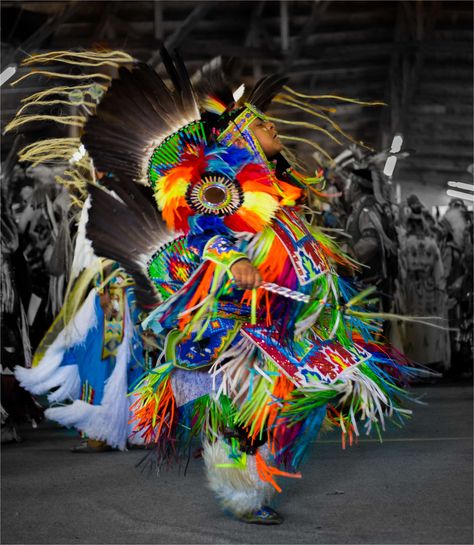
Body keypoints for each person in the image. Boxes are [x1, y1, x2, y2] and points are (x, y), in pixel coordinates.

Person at [74, 49, 428, 524]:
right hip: (245, 320)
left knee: (303, 399)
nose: (273, 129)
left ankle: (254, 479)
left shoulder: (273, 188)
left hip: (293, 316)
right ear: (242, 131)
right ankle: (242, 492)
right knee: (245, 407)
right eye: (263, 124)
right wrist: (236, 256)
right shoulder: (223, 178)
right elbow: (204, 226)